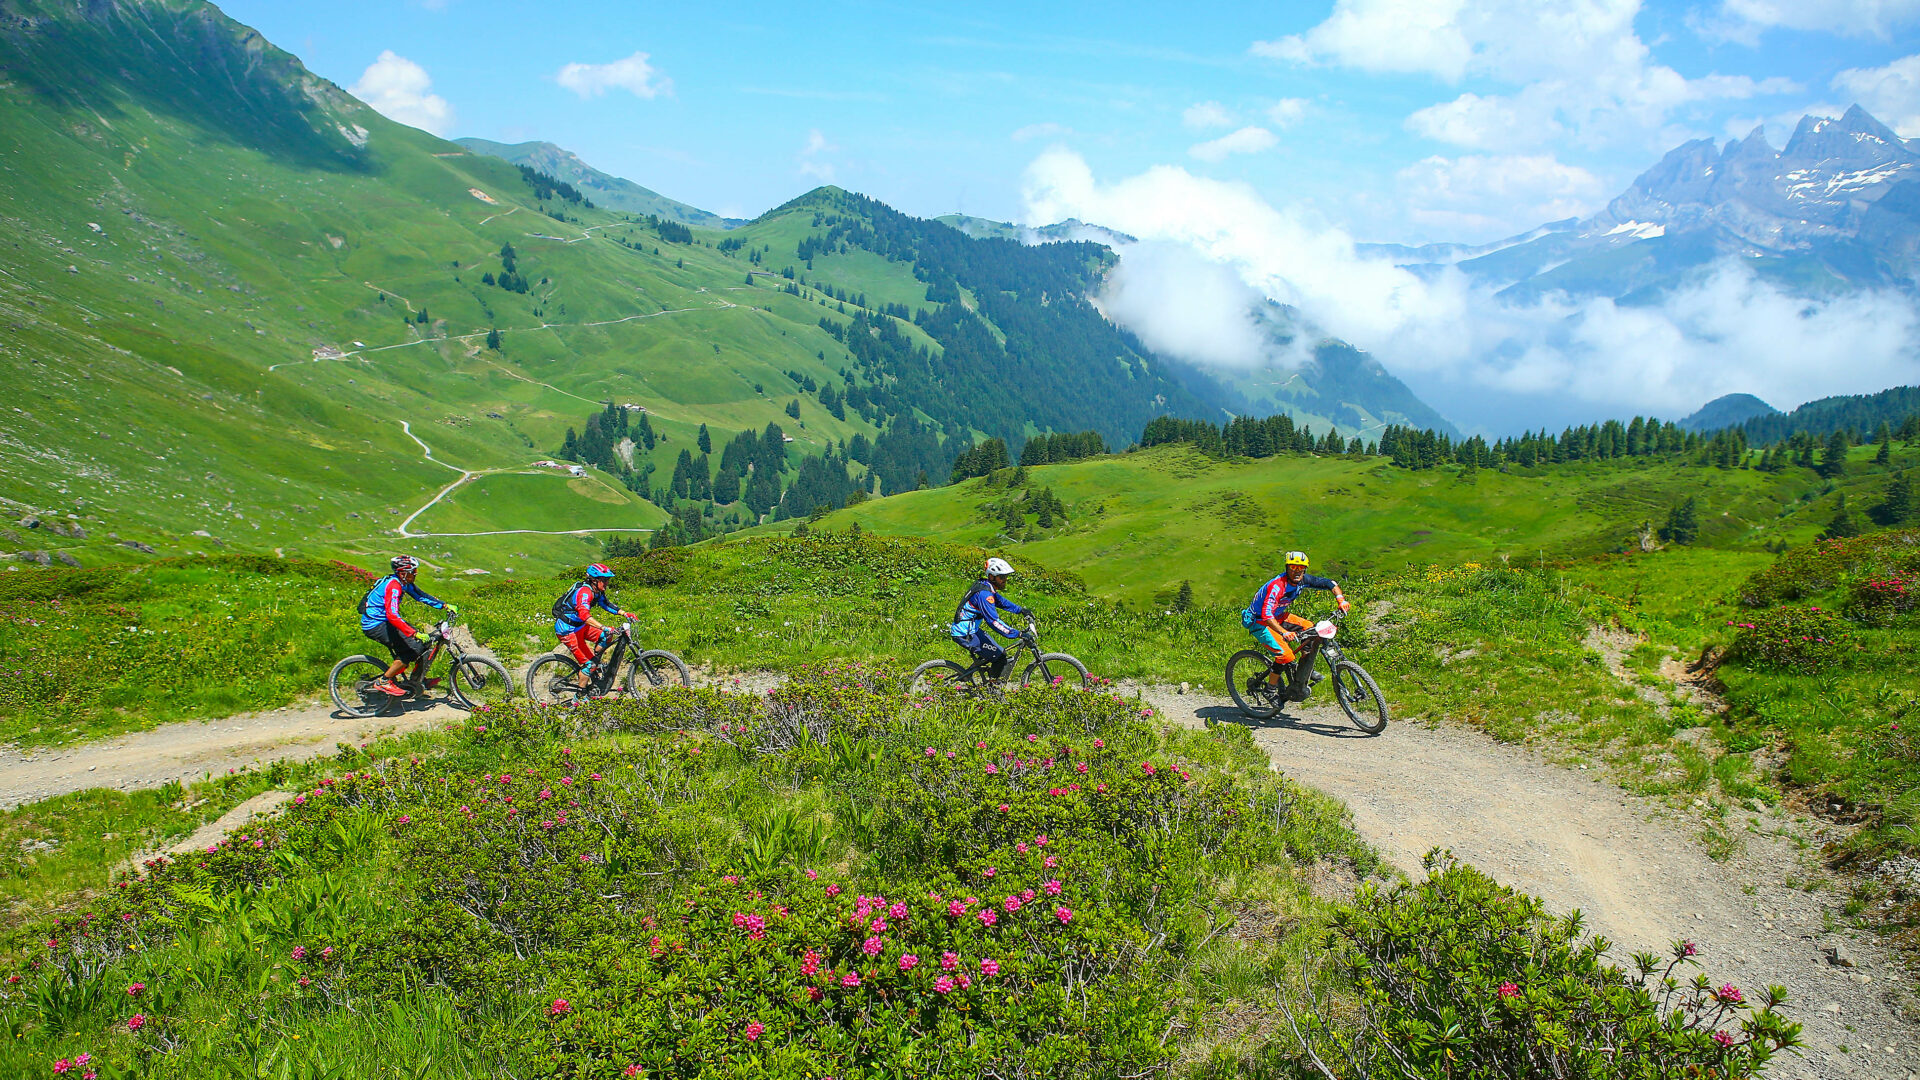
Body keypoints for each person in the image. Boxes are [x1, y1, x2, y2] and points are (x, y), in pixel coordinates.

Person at [1242, 551, 1348, 685]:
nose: (1297, 571)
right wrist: (1284, 632)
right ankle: (1271, 690)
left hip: (1278, 616)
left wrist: (1341, 600)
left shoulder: (1303, 580)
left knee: (1310, 629)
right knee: (1285, 656)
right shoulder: (1278, 586)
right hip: (1260, 622)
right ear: (1287, 568)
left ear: (1305, 569)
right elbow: (1266, 615)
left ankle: (1304, 669)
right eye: (1293, 567)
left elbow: (1329, 583)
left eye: (1301, 568)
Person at [360, 555, 456, 697]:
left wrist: (444, 605)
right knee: (410, 651)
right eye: (413, 571)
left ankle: (417, 681)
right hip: (375, 624)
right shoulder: (394, 586)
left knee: (425, 643)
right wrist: (413, 633)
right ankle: (383, 681)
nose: (415, 574)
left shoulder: (404, 582)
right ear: (403, 572)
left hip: (385, 621)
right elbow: (392, 615)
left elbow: (420, 595)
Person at [554, 563, 638, 689]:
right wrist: (603, 626)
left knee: (606, 636)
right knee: (589, 666)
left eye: (607, 580)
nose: (606, 583)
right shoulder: (585, 593)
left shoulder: (597, 591)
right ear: (594, 580)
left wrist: (624, 613)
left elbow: (606, 604)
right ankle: (579, 698)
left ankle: (595, 662)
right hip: (567, 630)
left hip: (580, 627)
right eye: (604, 580)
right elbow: (584, 616)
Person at [951, 557, 1031, 678]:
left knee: (1000, 653)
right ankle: (992, 691)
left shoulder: (986, 586)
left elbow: (1000, 601)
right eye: (1002, 577)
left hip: (971, 629)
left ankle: (983, 680)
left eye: (1006, 576)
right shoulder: (984, 594)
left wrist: (1021, 610)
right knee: (1000, 658)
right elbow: (993, 621)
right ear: (992, 577)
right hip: (965, 633)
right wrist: (1017, 634)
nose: (1005, 580)